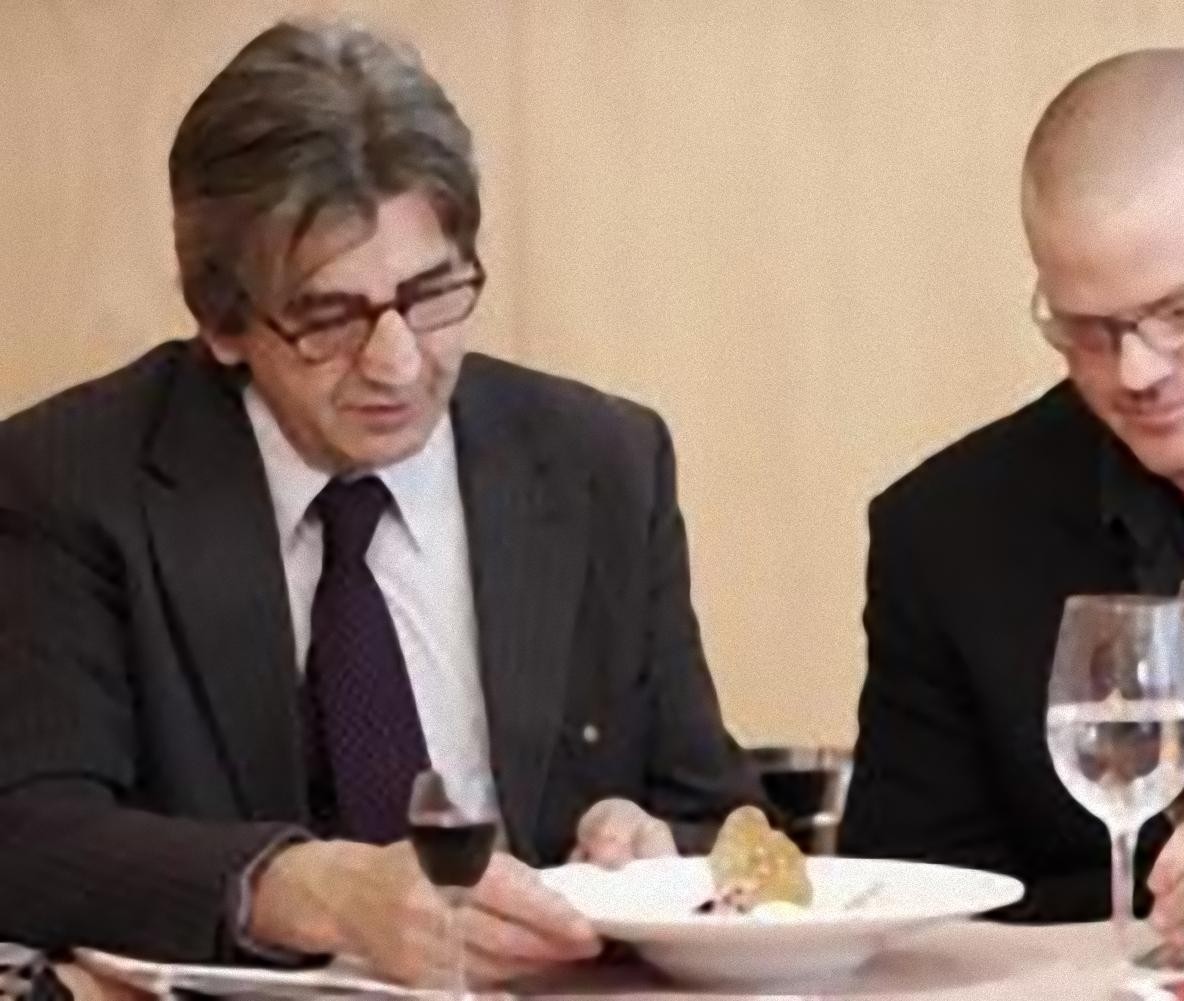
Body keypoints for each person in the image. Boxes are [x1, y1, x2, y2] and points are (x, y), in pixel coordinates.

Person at [0, 19, 763, 986]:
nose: (397, 362)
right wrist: (308, 887)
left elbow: (713, 817)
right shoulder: (73, 478)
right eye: (329, 317)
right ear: (222, 322)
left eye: (431, 294)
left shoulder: (598, 460)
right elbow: (29, 833)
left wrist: (652, 859)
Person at [840, 48, 1184, 941]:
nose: (1137, 371)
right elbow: (915, 915)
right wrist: (1178, 914)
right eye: (1088, 329)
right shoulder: (948, 534)